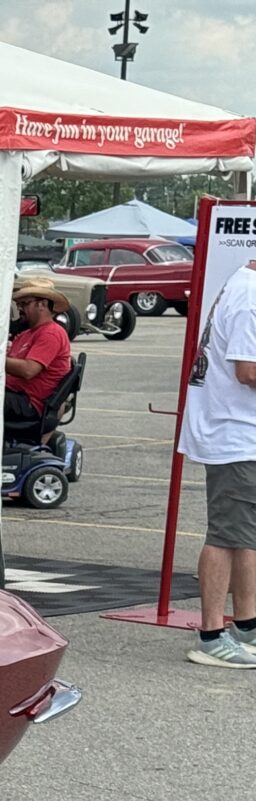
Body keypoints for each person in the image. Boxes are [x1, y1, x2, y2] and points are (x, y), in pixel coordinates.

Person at [174, 259, 256, 668]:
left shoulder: (243, 283)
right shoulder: (250, 297)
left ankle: (247, 623)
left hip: (238, 430)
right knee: (226, 533)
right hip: (233, 432)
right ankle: (210, 634)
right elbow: (248, 371)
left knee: (245, 533)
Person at [4, 277, 73, 434]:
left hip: (29, 404)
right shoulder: (26, 334)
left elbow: (28, 370)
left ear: (42, 304)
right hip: (16, 396)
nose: (20, 308)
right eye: (19, 304)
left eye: (25, 304)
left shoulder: (51, 333)